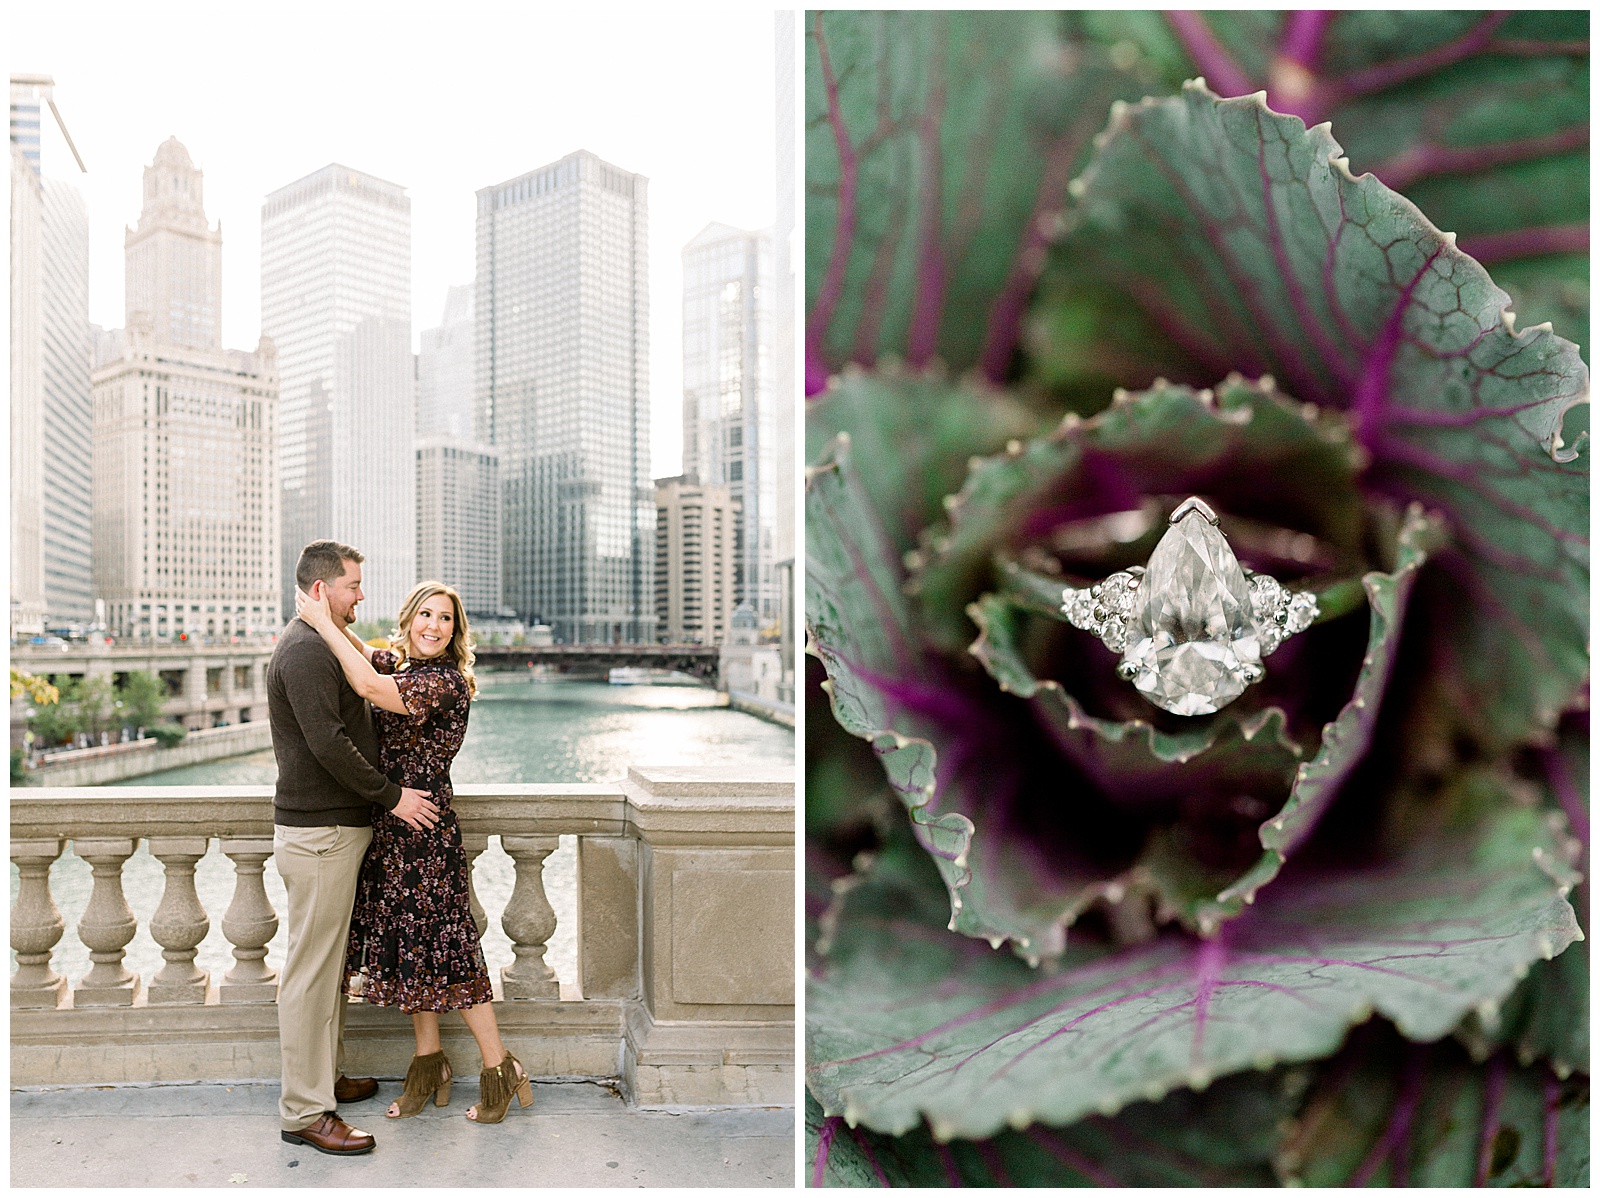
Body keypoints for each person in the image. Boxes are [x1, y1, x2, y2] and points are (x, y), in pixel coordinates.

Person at [297, 577, 534, 1126]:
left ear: (456, 632)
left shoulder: (444, 682)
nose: (433, 626)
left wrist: (322, 625)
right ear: (409, 620)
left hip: (424, 829)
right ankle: (429, 1064)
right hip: (390, 826)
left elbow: (370, 687)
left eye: (445, 619)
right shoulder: (404, 666)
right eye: (425, 615)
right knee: (412, 953)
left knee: (449, 950)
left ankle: (501, 1068)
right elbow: (366, 655)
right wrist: (327, 619)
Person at [268, 540, 441, 1157]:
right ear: (322, 590)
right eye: (352, 586)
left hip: (333, 831)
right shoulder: (307, 651)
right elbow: (329, 745)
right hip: (320, 835)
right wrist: (392, 796)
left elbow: (372, 673)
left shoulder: (323, 641)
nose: (362, 596)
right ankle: (305, 1111)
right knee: (311, 976)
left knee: (329, 971)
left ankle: (324, 1080)